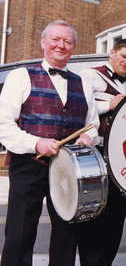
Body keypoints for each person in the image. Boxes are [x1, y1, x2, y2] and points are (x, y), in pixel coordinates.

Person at [0, 20, 99, 265]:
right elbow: (3, 125)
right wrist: (36, 143)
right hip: (28, 165)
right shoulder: (20, 76)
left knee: (67, 235)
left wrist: (89, 137)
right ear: (43, 42)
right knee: (19, 234)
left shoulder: (83, 83)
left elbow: (93, 124)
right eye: (55, 39)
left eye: (67, 41)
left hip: (69, 170)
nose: (61, 45)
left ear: (73, 47)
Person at [77, 38, 126, 265]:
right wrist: (109, 104)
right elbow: (81, 108)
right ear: (111, 52)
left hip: (120, 160)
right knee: (93, 218)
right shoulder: (89, 75)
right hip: (95, 154)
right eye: (124, 56)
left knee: (115, 220)